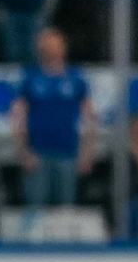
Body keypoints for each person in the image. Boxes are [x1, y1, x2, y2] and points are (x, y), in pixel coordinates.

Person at [10, 27, 96, 207]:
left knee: (65, 211)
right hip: (38, 154)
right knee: (36, 210)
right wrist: (23, 152)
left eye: (54, 45)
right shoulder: (31, 78)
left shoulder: (75, 79)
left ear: (63, 47)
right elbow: (18, 117)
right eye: (47, 45)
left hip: (67, 153)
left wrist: (86, 153)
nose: (50, 49)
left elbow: (90, 118)